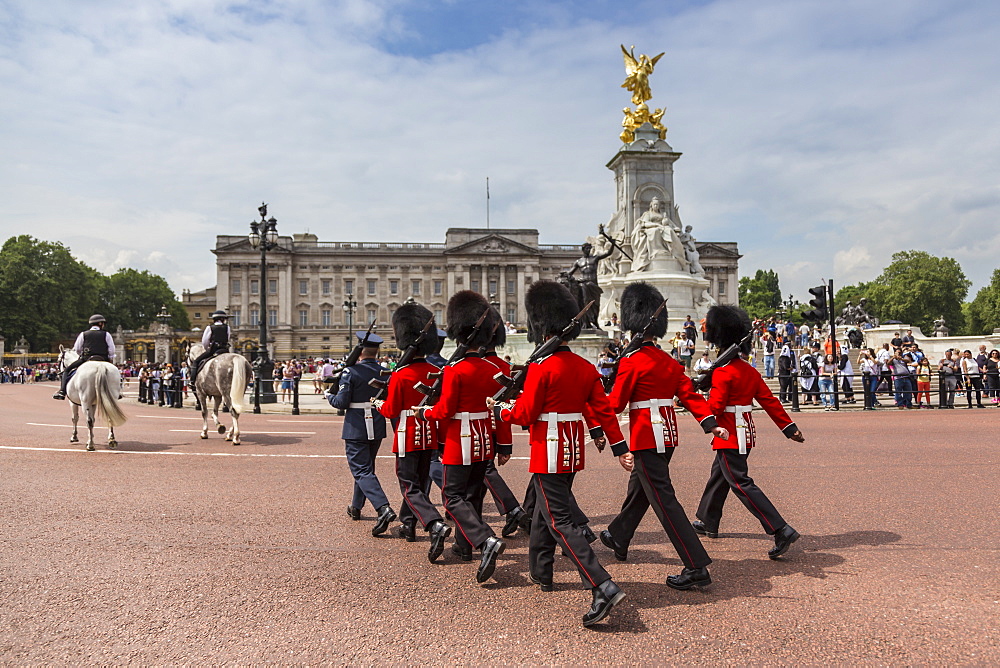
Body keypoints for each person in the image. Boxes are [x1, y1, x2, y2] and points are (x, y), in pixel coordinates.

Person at [491, 280, 630, 627]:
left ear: (541, 326)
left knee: (559, 521)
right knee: (540, 511)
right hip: (571, 449)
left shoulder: (541, 367)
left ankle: (602, 585)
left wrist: (500, 410)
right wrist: (619, 448)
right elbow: (603, 411)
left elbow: (525, 414)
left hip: (548, 449)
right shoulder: (585, 367)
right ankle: (542, 571)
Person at [600, 282, 728, 591]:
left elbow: (614, 404)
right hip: (668, 435)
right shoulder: (670, 362)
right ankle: (619, 534)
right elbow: (691, 396)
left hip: (645, 436)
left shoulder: (631, 362)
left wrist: (588, 403)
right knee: (641, 490)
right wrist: (710, 424)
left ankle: (695, 564)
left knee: (664, 501)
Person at [692, 305, 806, 560]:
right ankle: (707, 521)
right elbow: (770, 401)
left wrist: (693, 399)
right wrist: (790, 428)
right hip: (746, 433)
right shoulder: (748, 370)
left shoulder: (722, 372)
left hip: (728, 435)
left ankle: (780, 528)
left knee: (740, 483)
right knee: (718, 476)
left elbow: (715, 407)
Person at [415, 291, 506, 584]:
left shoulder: (455, 370)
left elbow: (445, 411)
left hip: (459, 439)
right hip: (484, 438)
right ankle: (465, 547)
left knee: (452, 496)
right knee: (473, 494)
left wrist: (424, 413)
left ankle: (484, 540)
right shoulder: (493, 368)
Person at [372, 302, 452, 560]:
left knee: (408, 485)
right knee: (420, 482)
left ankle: (433, 523)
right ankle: (408, 524)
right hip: (429, 432)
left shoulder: (401, 374)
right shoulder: (436, 371)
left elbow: (392, 410)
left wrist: (377, 403)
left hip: (407, 434)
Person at [326, 331, 397, 536]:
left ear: (359, 351)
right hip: (375, 423)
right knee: (366, 468)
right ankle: (356, 507)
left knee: (361, 470)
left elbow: (341, 402)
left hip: (356, 425)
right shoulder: (384, 372)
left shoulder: (351, 372)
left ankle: (382, 507)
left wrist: (328, 395)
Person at [480, 312, 528, 538]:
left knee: (482, 471)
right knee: (479, 476)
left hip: (470, 432)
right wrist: (505, 445)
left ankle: (512, 509)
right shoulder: (502, 365)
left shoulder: (474, 366)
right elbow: (504, 410)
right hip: (493, 428)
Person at [53, 314, 116, 400]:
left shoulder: (83, 334)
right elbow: (111, 349)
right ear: (100, 323)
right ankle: (117, 392)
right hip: (103, 359)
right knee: (115, 373)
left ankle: (62, 392)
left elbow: (77, 349)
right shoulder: (106, 334)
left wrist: (82, 355)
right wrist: (110, 358)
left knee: (66, 370)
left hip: (87, 359)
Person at [190, 310, 231, 387]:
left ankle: (192, 381)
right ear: (223, 319)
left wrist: (207, 349)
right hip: (225, 350)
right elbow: (228, 338)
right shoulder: (227, 327)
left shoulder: (210, 327)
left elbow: (205, 341)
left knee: (196, 361)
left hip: (214, 349)